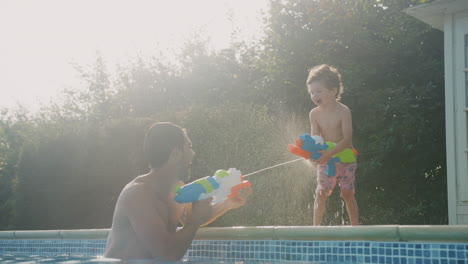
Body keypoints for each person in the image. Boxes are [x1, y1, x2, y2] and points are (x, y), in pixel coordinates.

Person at [104, 122, 251, 261]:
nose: (193, 154)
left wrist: (228, 203)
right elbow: (167, 253)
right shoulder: (137, 193)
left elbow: (195, 217)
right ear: (175, 153)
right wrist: (194, 222)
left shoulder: (177, 188)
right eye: (189, 147)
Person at [306, 64, 358, 226]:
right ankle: (315, 229)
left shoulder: (343, 111)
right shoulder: (314, 114)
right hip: (326, 159)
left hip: (346, 158)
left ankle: (356, 228)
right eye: (312, 92)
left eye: (319, 91)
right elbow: (315, 139)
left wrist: (329, 153)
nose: (314, 95)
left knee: (347, 193)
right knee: (321, 192)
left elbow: (347, 139)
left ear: (333, 90)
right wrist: (313, 155)